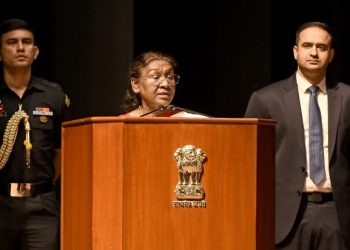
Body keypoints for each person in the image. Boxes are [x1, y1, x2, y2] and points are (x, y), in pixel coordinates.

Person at [244, 21, 349, 250]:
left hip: (337, 214)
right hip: (285, 216)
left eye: (321, 47)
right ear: (295, 51)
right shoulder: (265, 99)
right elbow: (247, 161)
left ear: (331, 55)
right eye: (307, 45)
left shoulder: (347, 97)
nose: (313, 52)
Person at [0, 18, 70, 249]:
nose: (20, 47)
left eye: (26, 42)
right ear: (0, 52)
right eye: (12, 42)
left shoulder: (54, 97)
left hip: (42, 206)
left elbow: (60, 154)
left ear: (35, 51)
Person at [120, 51, 208, 117]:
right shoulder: (121, 124)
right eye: (155, 77)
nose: (165, 84)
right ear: (135, 84)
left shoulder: (188, 121)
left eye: (170, 77)